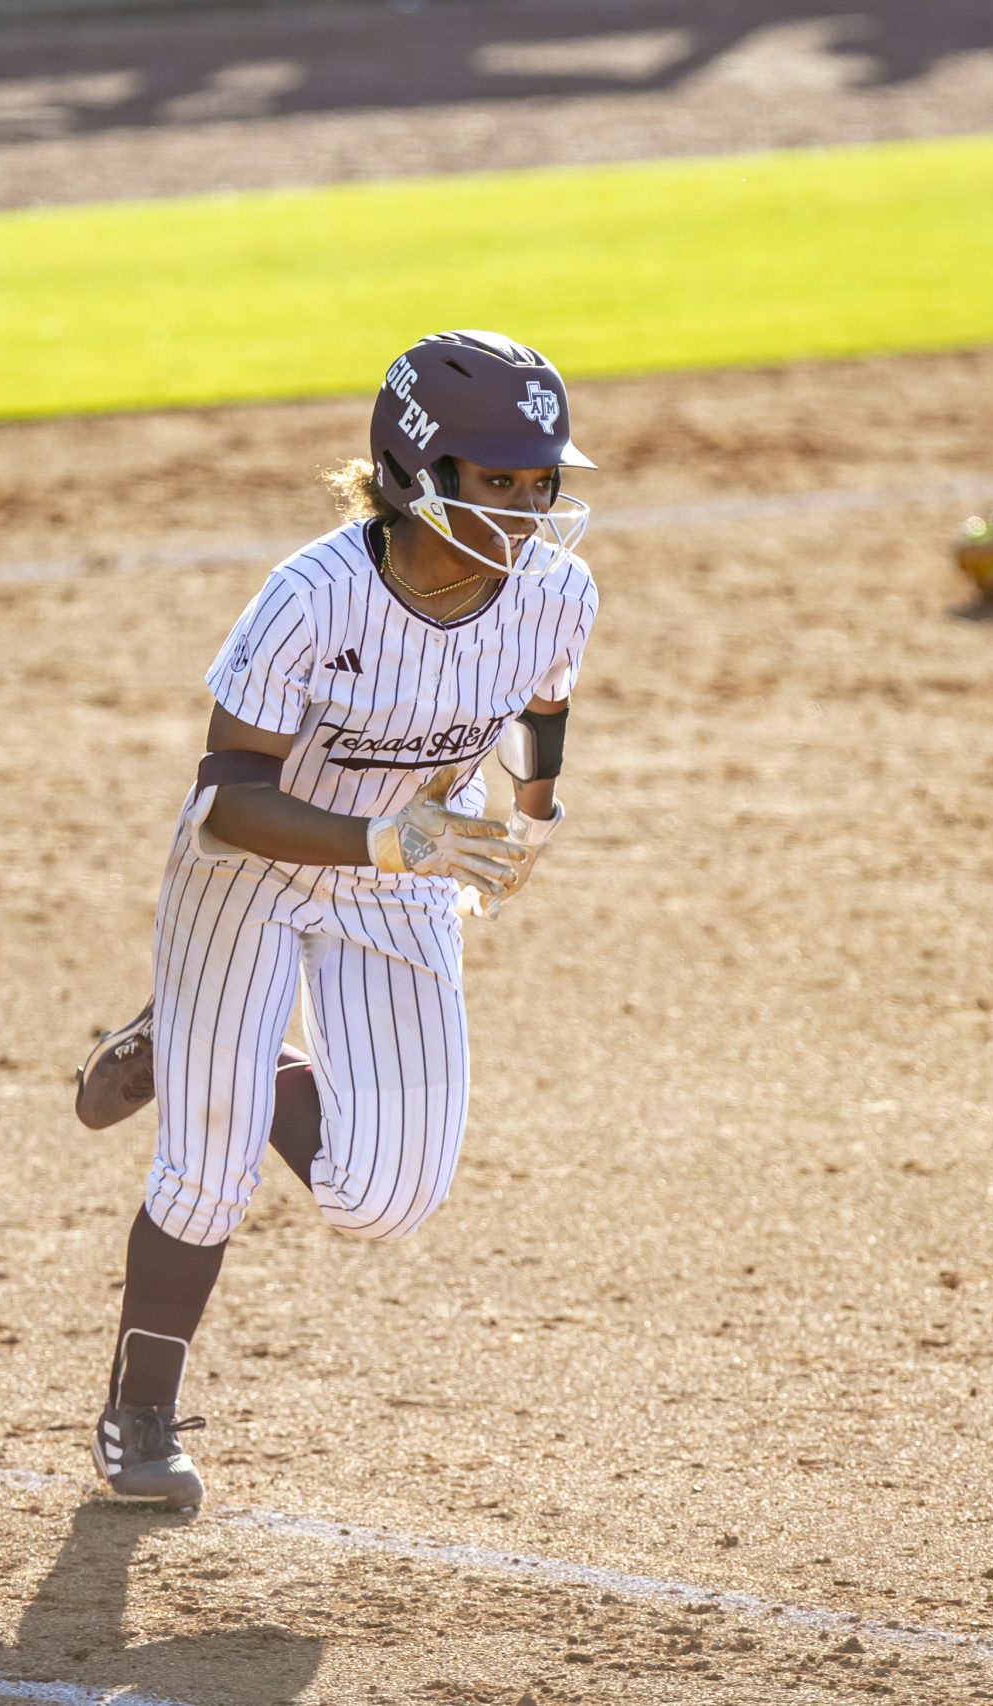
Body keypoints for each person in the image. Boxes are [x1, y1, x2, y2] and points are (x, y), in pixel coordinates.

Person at [69, 329, 600, 1510]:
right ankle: (139, 1413)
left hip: (410, 871)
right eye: (497, 480)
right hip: (250, 872)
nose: (526, 509)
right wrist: (380, 837)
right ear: (418, 473)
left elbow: (543, 698)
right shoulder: (313, 597)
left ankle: (207, 1044)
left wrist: (539, 807)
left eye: (541, 481)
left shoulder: (558, 591)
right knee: (206, 1167)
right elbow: (222, 806)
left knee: (382, 1197)